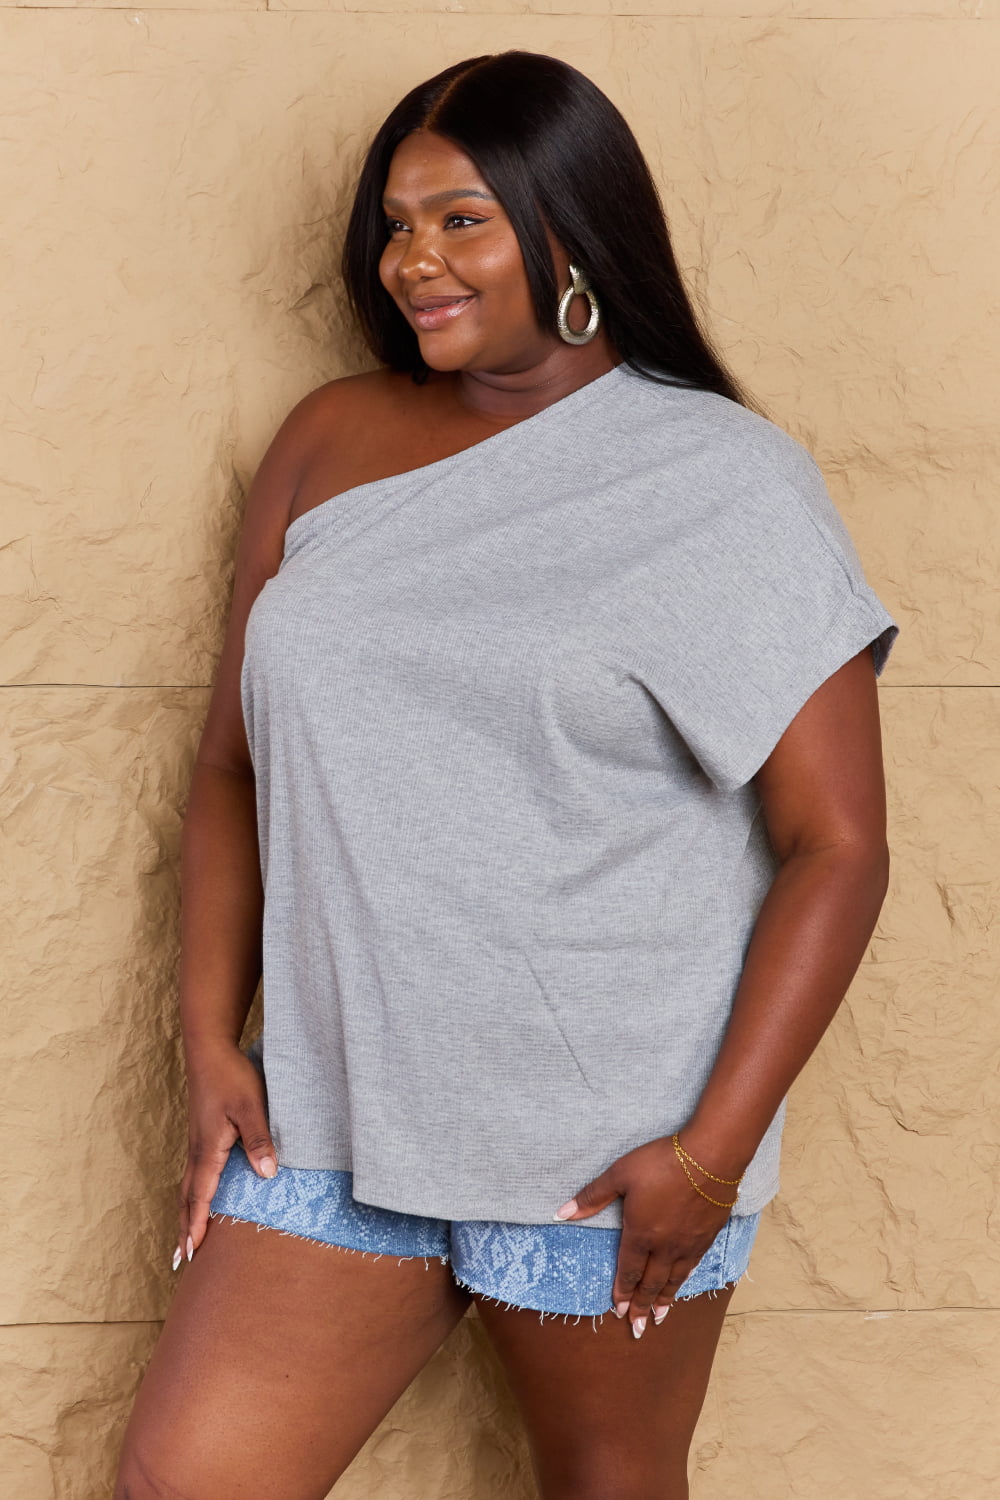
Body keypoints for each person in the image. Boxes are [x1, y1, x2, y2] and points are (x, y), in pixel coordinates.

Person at [114, 49, 898, 1500]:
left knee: (607, 1484)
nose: (414, 259)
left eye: (461, 219)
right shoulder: (327, 443)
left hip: (606, 1143)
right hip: (335, 1118)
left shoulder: (722, 483)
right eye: (396, 224)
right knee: (186, 1479)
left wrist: (711, 1155)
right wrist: (211, 1045)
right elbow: (230, 766)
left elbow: (838, 844)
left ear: (573, 231)